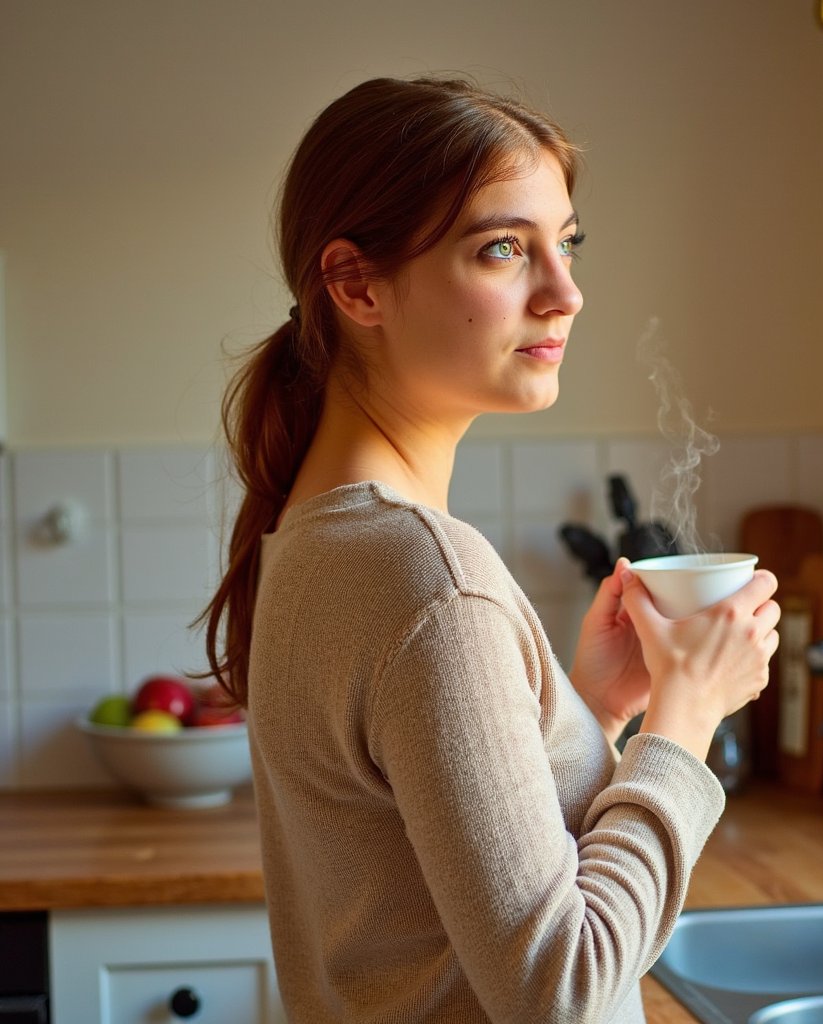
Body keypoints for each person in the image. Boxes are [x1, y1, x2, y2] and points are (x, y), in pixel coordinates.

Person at [202, 76, 780, 1024]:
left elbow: (416, 898)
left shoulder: (322, 536)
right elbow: (565, 993)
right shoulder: (427, 576)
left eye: (567, 243)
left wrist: (586, 710)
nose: (566, 293)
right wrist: (686, 721)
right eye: (505, 249)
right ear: (356, 284)